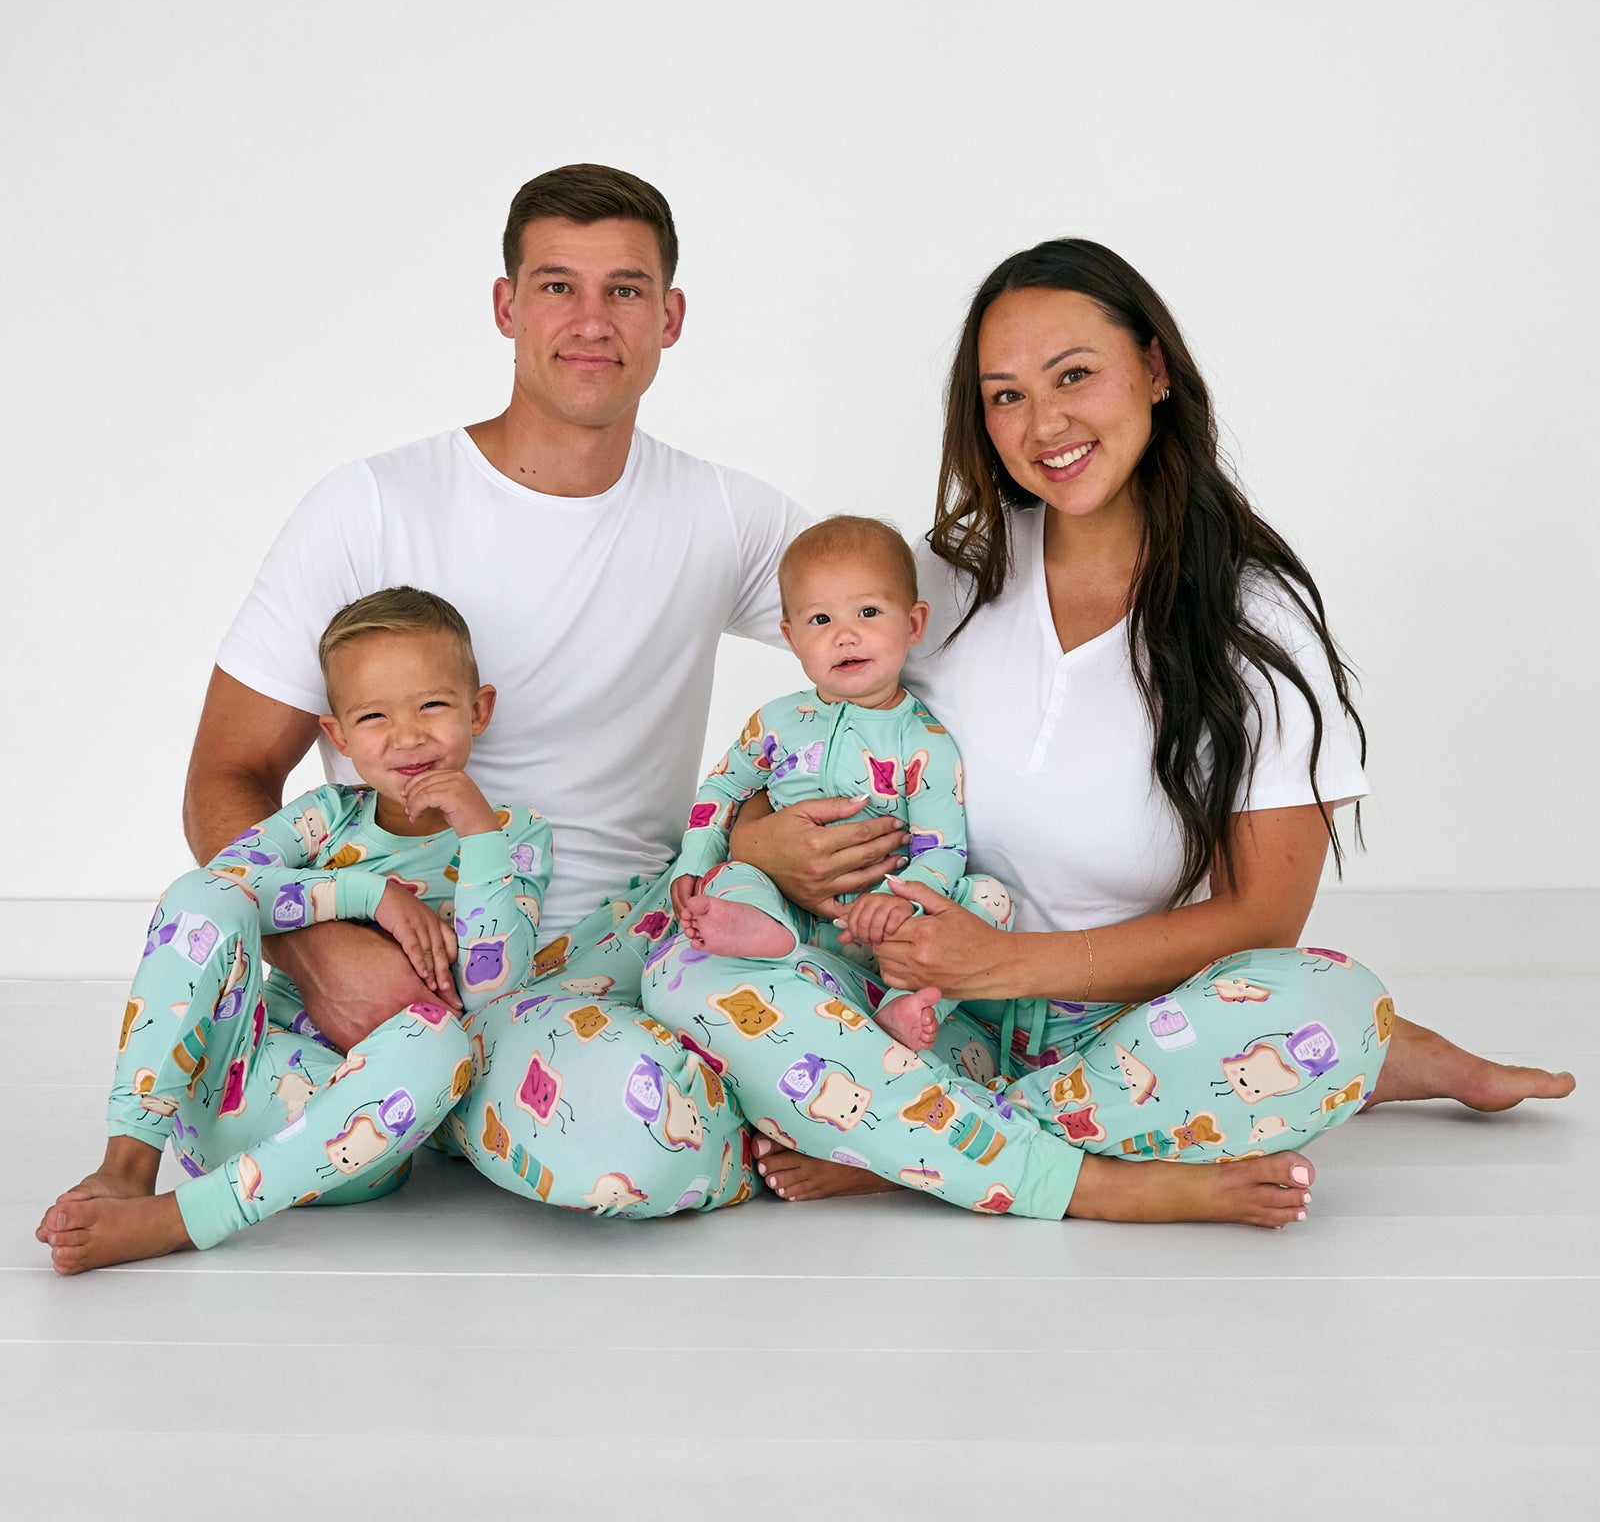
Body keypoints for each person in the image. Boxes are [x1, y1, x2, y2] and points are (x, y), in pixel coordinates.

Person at [645, 237, 1575, 1228]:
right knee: (686, 972)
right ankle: (1009, 1153)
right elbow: (811, 740)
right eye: (1005, 395)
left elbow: (1265, 918)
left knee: (1330, 1011)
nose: (1043, 423)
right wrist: (757, 842)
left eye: (1074, 375)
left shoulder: (1253, 616)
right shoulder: (945, 578)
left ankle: (906, 1149)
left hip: (1126, 1026)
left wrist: (1001, 964)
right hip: (915, 1009)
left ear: (1155, 368)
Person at [175, 164, 828, 1218]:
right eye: (557, 285)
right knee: (224, 1130)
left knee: (653, 1150)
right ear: (505, 305)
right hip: (390, 959)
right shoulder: (370, 506)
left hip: (594, 966)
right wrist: (315, 949)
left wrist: (752, 831)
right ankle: (459, 1108)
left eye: (624, 290)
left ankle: (481, 1105)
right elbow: (228, 771)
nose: (591, 320)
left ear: (669, 317)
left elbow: (892, 629)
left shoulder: (725, 516)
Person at [38, 588, 547, 1273]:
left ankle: (185, 1218)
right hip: (229, 1081)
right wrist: (370, 895)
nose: (407, 736)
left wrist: (479, 834)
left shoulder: (514, 837)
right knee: (199, 894)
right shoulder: (325, 817)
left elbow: (493, 992)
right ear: (338, 737)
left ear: (478, 710)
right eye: (374, 716)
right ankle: (127, 1166)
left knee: (443, 1041)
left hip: (356, 1133)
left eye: (432, 705)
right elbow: (224, 884)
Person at [668, 514, 1014, 1053]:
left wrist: (897, 901)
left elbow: (942, 849)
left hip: (888, 931)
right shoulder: (777, 722)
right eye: (820, 619)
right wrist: (694, 859)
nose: (844, 635)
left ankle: (904, 1003)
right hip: (792, 907)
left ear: (913, 624)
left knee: (989, 898)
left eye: (868, 612)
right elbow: (723, 788)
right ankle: (764, 931)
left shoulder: (925, 742)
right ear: (792, 638)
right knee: (730, 874)